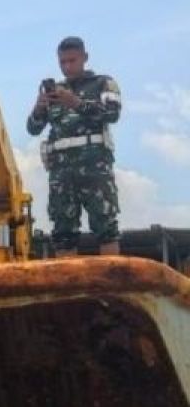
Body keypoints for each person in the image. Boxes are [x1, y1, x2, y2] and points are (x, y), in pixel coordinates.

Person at [26, 36, 123, 256]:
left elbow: (112, 113)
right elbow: (32, 128)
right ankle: (68, 287)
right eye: (63, 62)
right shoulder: (54, 91)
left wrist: (76, 103)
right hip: (61, 172)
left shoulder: (102, 83)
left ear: (84, 58)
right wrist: (39, 109)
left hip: (94, 168)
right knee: (63, 232)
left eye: (72, 60)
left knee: (105, 226)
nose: (67, 66)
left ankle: (111, 286)